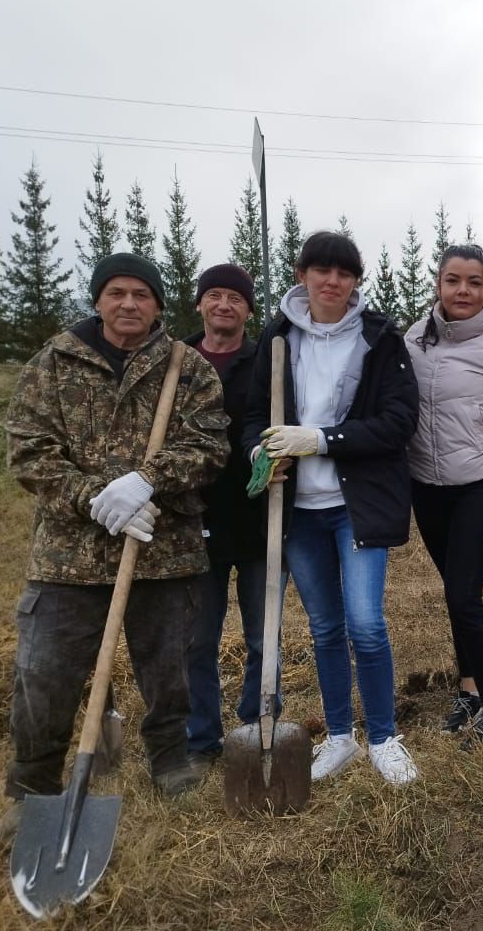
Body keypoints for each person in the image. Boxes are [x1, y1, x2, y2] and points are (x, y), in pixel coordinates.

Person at [0, 252, 229, 841]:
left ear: (157, 304)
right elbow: (28, 452)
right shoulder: (54, 363)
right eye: (117, 293)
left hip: (162, 551)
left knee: (169, 667)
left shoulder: (187, 367)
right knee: (44, 673)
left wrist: (148, 482)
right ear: (97, 300)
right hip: (67, 559)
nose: (129, 304)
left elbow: (209, 445)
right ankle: (34, 785)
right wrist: (95, 499)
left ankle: (171, 759)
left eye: (141, 295)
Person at [243, 231, 420, 786]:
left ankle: (385, 737)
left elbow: (398, 423)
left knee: (365, 624)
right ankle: (340, 736)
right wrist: (261, 452)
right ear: (303, 275)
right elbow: (253, 415)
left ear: (355, 282)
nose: (331, 281)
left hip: (355, 504)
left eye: (343, 273)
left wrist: (319, 440)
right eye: (320, 270)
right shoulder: (275, 338)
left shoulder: (380, 339)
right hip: (299, 509)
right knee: (324, 627)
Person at [405, 245, 483, 747]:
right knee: (455, 594)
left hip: (481, 485)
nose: (463, 291)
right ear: (438, 284)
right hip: (427, 487)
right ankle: (468, 687)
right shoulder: (416, 339)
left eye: (474, 282)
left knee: (464, 596)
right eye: (453, 280)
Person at [183, 263, 270, 770]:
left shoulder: (265, 362)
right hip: (193, 522)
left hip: (258, 518)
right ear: (200, 303)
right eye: (214, 295)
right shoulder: (176, 362)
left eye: (235, 298)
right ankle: (201, 740)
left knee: (263, 635)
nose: (223, 305)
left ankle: (256, 728)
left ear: (247, 309)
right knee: (197, 639)